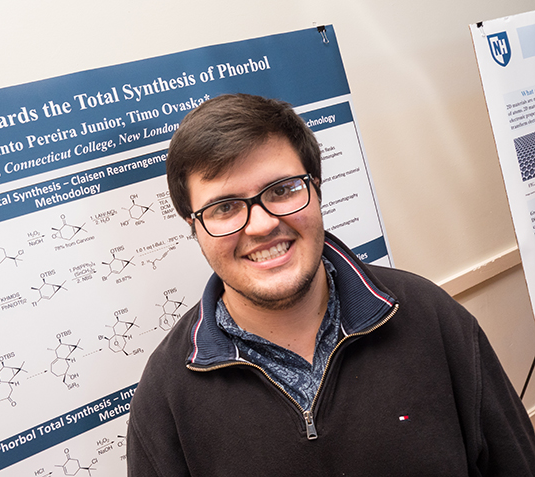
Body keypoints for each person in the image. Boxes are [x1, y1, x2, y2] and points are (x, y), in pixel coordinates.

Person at [126, 93, 535, 476]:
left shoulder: (431, 318)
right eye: (225, 207)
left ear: (316, 189)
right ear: (194, 227)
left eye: (282, 190)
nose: (263, 224)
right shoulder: (166, 397)